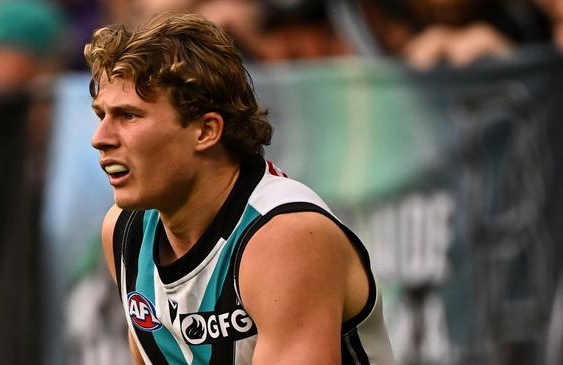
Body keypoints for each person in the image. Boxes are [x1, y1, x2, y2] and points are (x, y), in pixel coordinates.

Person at [84, 12, 395, 364]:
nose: (100, 139)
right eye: (101, 115)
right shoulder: (125, 231)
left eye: (128, 116)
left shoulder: (284, 236)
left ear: (205, 131)